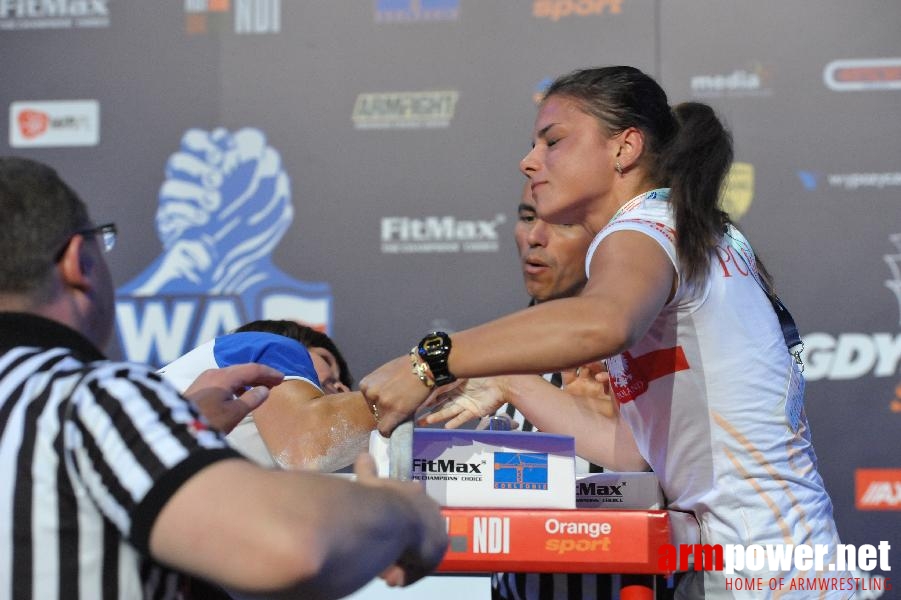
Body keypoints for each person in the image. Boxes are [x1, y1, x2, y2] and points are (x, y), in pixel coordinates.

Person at [361, 66, 848, 598]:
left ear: (625, 148)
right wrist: (511, 381)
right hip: (778, 566)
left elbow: (603, 323)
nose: (529, 161)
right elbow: (632, 455)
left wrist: (433, 359)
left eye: (553, 141)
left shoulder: (643, 228)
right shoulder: (690, 229)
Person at [0, 156, 447, 599]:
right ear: (81, 262)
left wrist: (174, 432)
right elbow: (290, 536)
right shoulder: (95, 398)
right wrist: (401, 512)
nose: (333, 391)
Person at [421, 181, 650, 600]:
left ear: (609, 239)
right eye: (527, 217)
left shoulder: (647, 358)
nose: (533, 237)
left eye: (560, 223)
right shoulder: (489, 361)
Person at [159, 319, 374, 471]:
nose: (342, 390)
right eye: (327, 364)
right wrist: (405, 381)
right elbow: (307, 444)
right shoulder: (269, 346)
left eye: (343, 384)